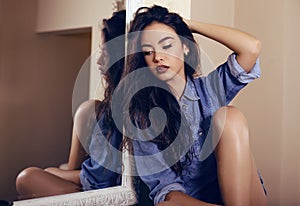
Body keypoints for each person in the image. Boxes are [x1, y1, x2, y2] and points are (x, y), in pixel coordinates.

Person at [120, 5, 267, 206]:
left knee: (229, 116)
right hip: (199, 202)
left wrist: (190, 25)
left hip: (246, 197)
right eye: (148, 52)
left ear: (185, 47)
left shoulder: (209, 89)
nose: (158, 57)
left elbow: (251, 47)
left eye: (167, 45)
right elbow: (167, 189)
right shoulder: (141, 117)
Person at [15, 10, 126, 199]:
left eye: (105, 53)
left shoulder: (111, 111)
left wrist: (54, 172)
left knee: (26, 178)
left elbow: (96, 177)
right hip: (93, 183)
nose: (98, 60)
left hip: (101, 191)